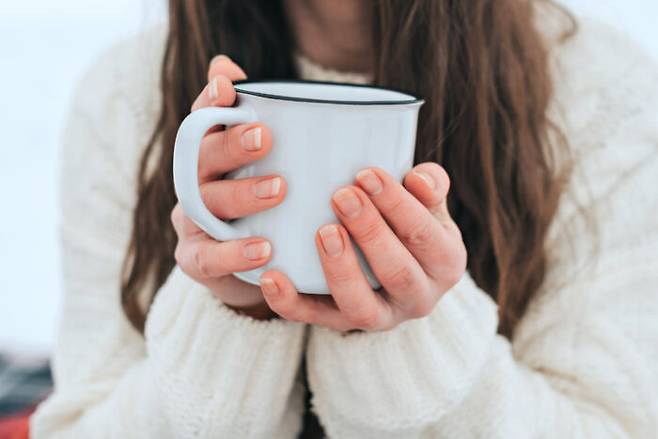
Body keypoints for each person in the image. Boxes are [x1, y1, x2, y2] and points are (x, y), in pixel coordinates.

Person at [31, 0, 658, 437]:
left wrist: (414, 336)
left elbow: (612, 425)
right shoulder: (124, 94)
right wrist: (233, 309)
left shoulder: (601, 91)